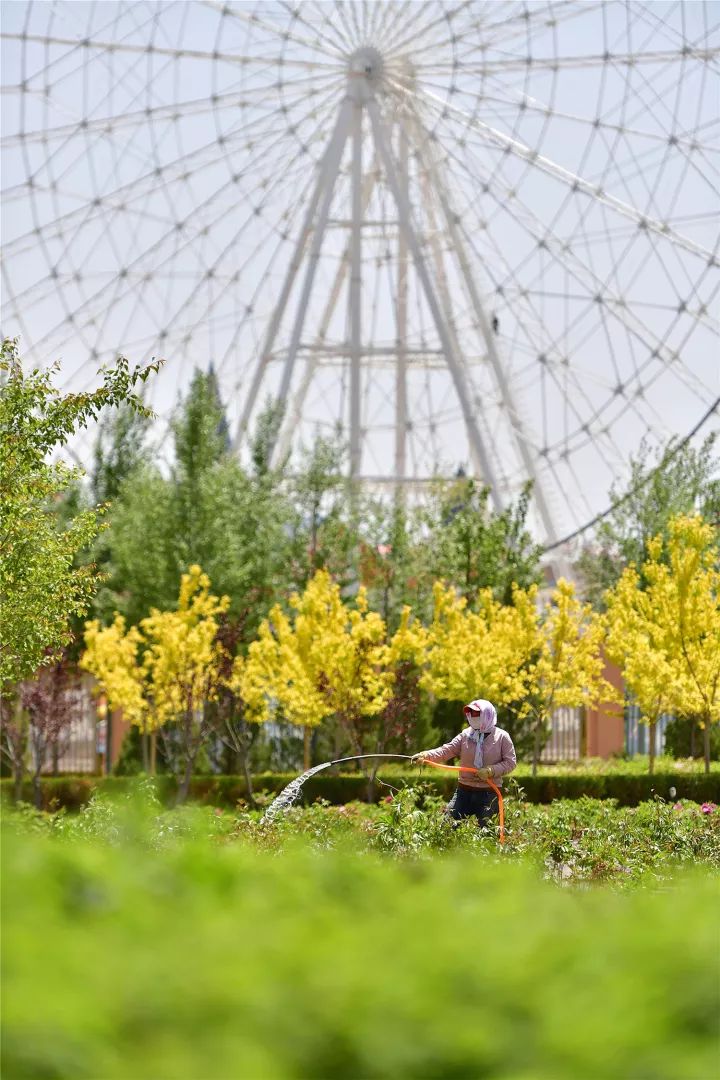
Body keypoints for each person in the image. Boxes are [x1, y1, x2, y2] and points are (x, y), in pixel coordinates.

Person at [413, 699, 516, 826]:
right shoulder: (465, 735)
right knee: (447, 825)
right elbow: (446, 750)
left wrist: (491, 771)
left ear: (487, 714)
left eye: (477, 713)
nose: (472, 717)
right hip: (464, 792)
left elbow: (510, 762)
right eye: (470, 713)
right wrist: (426, 755)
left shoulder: (502, 737)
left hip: (489, 793)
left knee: (487, 833)